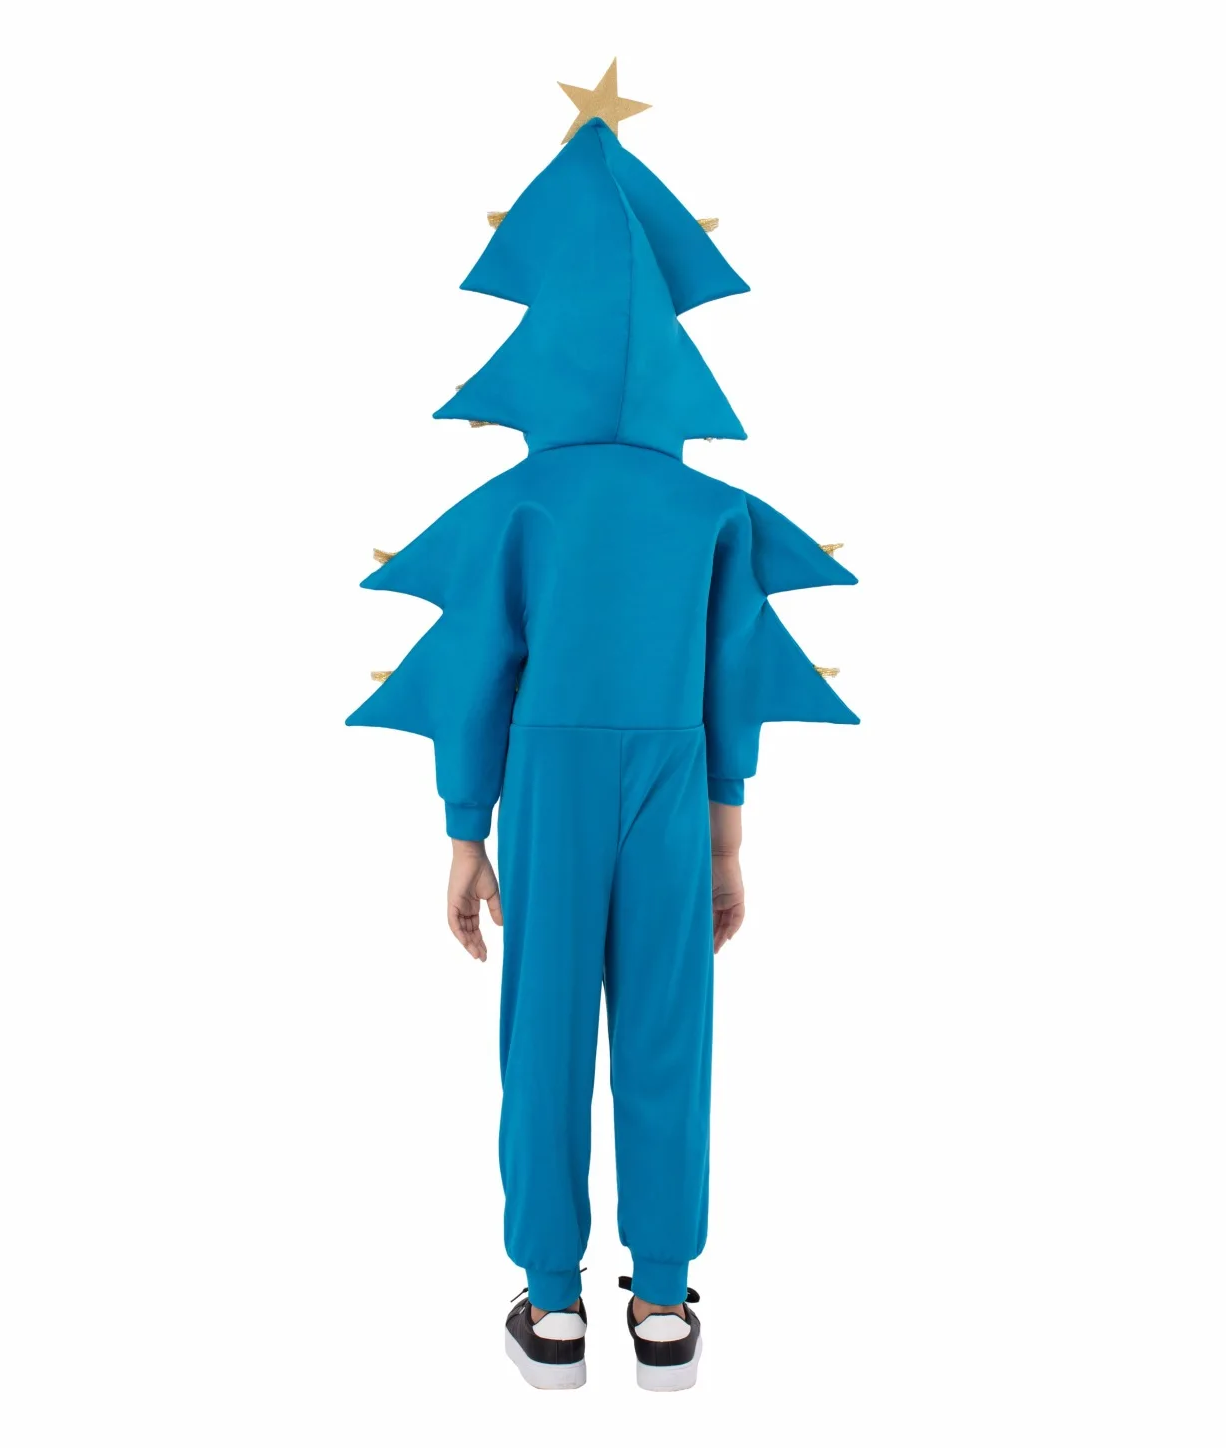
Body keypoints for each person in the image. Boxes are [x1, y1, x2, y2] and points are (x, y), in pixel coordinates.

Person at [348, 117, 857, 1391]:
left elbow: (476, 670)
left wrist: (463, 830)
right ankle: (666, 1302)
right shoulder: (712, 512)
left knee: (542, 1028)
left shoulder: (516, 504)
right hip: (671, 775)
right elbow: (728, 681)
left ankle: (553, 1299)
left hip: (548, 776)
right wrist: (725, 836)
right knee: (668, 1027)